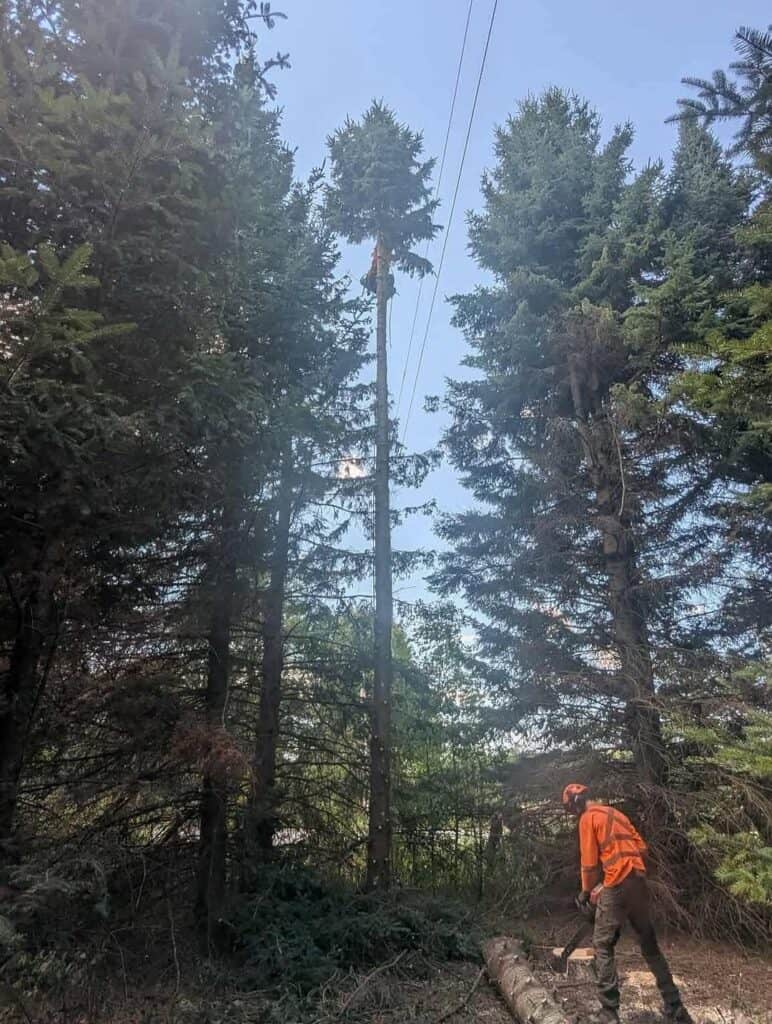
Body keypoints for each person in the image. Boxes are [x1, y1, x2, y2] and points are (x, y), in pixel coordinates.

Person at [562, 783, 694, 1024]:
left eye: (572, 809)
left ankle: (609, 1013)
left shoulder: (588, 819)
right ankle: (675, 1006)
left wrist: (585, 892)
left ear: (575, 804)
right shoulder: (618, 815)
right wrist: (607, 883)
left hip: (618, 885)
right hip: (638, 881)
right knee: (649, 945)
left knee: (602, 945)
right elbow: (641, 849)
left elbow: (589, 865)